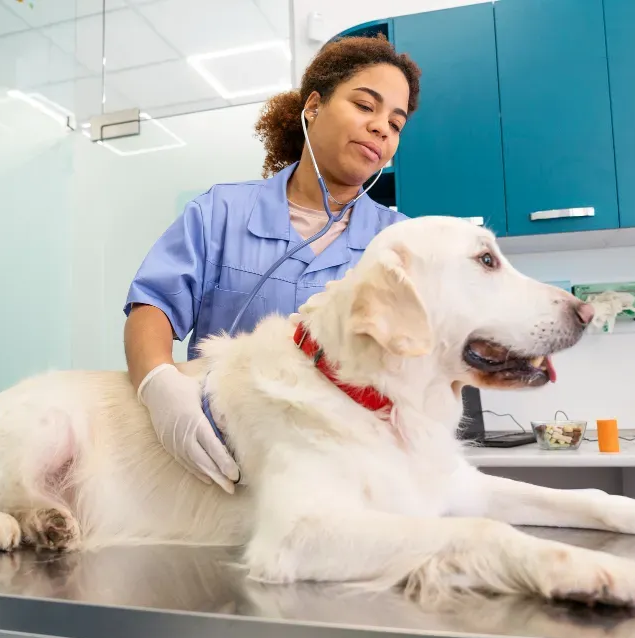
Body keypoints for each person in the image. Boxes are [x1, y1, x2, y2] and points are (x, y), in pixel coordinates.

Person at [123, 35, 422, 494]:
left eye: (396, 124)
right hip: (219, 463)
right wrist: (159, 386)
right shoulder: (221, 212)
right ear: (313, 107)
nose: (382, 128)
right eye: (366, 106)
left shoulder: (399, 241)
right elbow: (153, 306)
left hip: (345, 476)